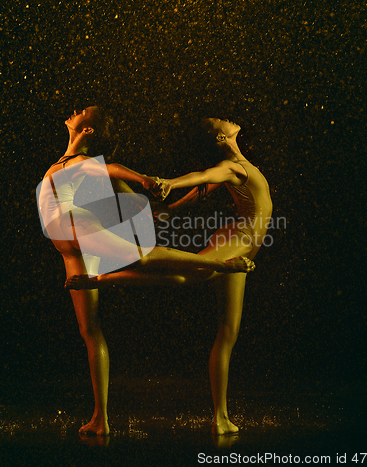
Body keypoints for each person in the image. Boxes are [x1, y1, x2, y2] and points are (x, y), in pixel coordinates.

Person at [39, 108, 254, 436]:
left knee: (140, 257)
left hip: (75, 228)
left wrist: (144, 181)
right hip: (67, 244)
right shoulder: (69, 163)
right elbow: (113, 181)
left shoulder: (78, 161)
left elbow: (110, 170)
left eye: (84, 112)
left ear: (89, 129)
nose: (76, 111)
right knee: (89, 330)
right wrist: (146, 204)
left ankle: (217, 264)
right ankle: (101, 419)